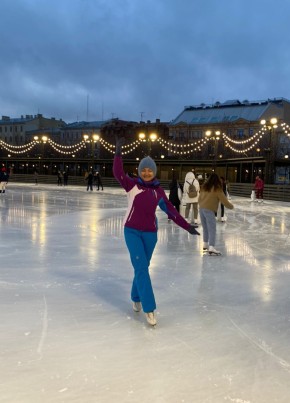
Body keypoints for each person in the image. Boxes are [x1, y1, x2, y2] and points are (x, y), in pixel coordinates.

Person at [113, 137, 199, 326]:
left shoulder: (158, 191)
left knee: (142, 267)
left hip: (150, 234)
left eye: (149, 169)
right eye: (143, 169)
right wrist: (118, 153)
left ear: (154, 172)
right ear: (139, 171)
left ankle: (135, 296)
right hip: (132, 232)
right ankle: (149, 308)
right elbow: (118, 173)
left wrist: (187, 227)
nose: (146, 172)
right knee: (142, 268)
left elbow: (171, 211)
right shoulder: (132, 185)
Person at [198, 173, 234, 256]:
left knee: (205, 228)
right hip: (209, 210)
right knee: (212, 228)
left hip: (201, 209)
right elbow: (224, 200)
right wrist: (231, 206)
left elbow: (199, 198)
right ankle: (211, 247)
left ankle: (205, 244)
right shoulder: (217, 189)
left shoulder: (204, 187)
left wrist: (202, 205)